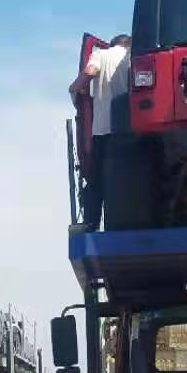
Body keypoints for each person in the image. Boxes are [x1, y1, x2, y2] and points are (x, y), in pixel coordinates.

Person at [69, 34, 131, 229]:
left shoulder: (101, 56)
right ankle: (123, 224)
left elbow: (87, 74)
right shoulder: (133, 58)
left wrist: (74, 90)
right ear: (127, 44)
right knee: (125, 180)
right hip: (128, 131)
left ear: (113, 44)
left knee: (97, 182)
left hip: (103, 131)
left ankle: (92, 223)